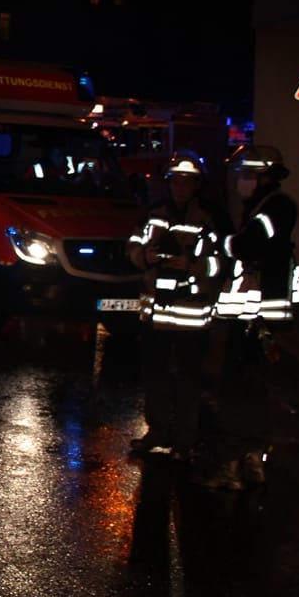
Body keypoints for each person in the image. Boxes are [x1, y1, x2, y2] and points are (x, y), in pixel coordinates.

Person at [199, 144, 299, 490]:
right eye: (240, 175)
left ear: (266, 177)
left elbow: (249, 246)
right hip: (247, 319)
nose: (242, 182)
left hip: (260, 321)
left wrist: (228, 243)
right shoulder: (256, 208)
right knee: (241, 386)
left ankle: (245, 460)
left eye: (248, 176)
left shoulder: (278, 208)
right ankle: (244, 460)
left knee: (247, 389)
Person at [126, 150, 230, 461]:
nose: (180, 187)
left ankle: (187, 438)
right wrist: (144, 256)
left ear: (198, 184)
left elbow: (222, 261)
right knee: (154, 373)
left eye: (187, 182)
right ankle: (157, 430)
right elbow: (132, 245)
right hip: (157, 312)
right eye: (175, 181)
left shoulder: (212, 217)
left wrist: (193, 264)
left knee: (189, 376)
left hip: (190, 313)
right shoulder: (155, 212)